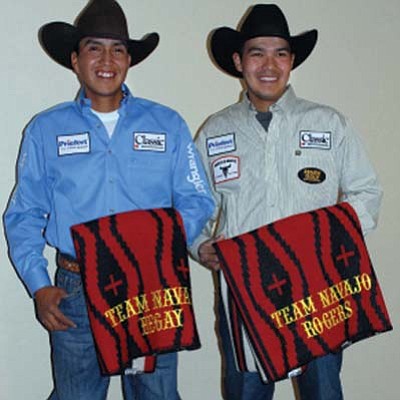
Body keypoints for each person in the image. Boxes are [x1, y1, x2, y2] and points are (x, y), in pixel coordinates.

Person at [3, 0, 214, 399]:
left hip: (153, 287)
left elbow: (197, 198)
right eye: (94, 48)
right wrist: (38, 285)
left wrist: (156, 248)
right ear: (75, 59)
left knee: (156, 395)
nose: (107, 59)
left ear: (129, 60)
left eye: (118, 49)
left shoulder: (167, 124)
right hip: (75, 290)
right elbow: (24, 214)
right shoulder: (45, 130)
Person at [191, 4, 382, 400]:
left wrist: (332, 241)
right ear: (238, 60)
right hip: (244, 293)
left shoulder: (329, 123)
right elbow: (193, 206)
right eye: (257, 52)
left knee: (323, 392)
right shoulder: (215, 131)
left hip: (320, 292)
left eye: (280, 53)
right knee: (246, 392)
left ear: (292, 61)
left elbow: (366, 193)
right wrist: (199, 244)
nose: (269, 64)